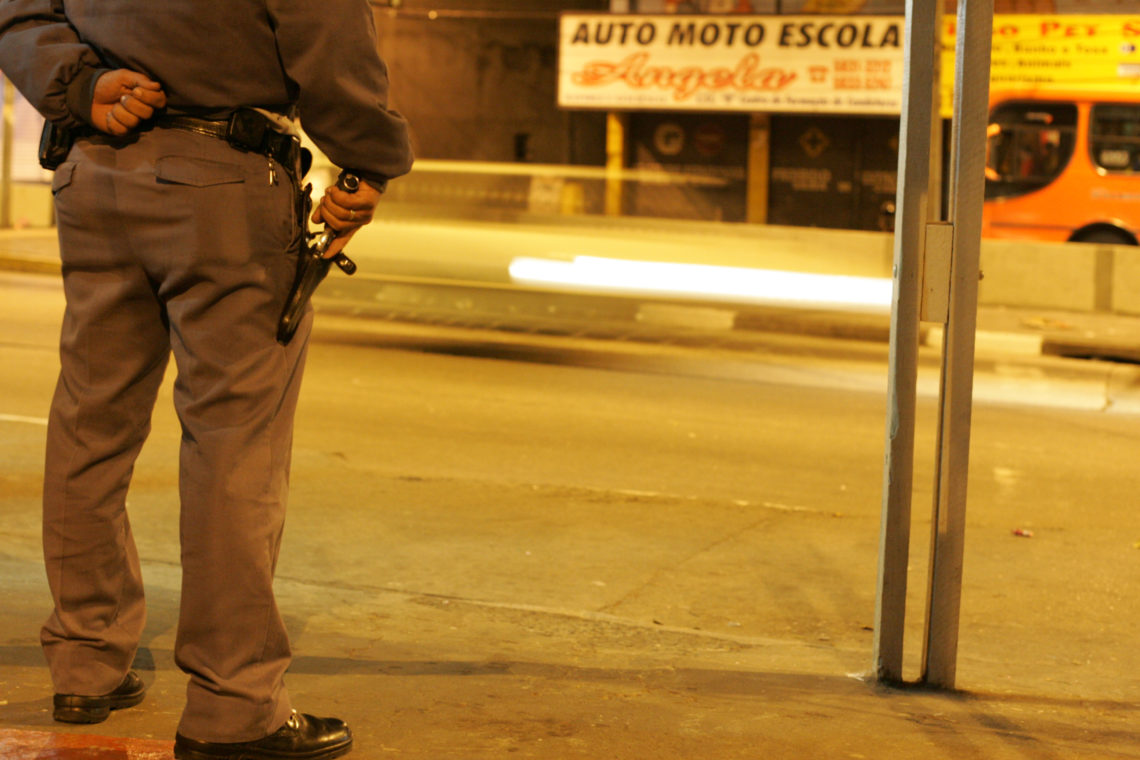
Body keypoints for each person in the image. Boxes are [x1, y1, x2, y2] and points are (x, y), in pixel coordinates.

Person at [0, 1, 413, 758]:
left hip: (93, 174)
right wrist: (370, 160)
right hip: (223, 187)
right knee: (233, 442)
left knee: (91, 419)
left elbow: (18, 14)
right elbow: (329, 41)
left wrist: (79, 83)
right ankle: (235, 702)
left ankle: (85, 661)